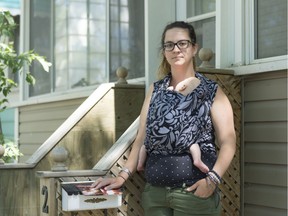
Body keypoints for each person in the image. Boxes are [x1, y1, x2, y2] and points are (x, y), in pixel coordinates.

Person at [91, 21, 236, 216]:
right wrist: (122, 176)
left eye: (182, 43)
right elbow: (141, 138)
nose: (175, 49)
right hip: (155, 195)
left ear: (194, 48)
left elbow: (228, 141)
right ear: (164, 51)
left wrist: (213, 180)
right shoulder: (155, 90)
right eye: (169, 45)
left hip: (193, 194)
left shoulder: (211, 91)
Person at [137, 76, 209, 174]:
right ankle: (197, 160)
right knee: (193, 144)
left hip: (155, 136)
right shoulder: (185, 100)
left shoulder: (163, 94)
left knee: (144, 147)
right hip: (178, 136)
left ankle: (140, 163)